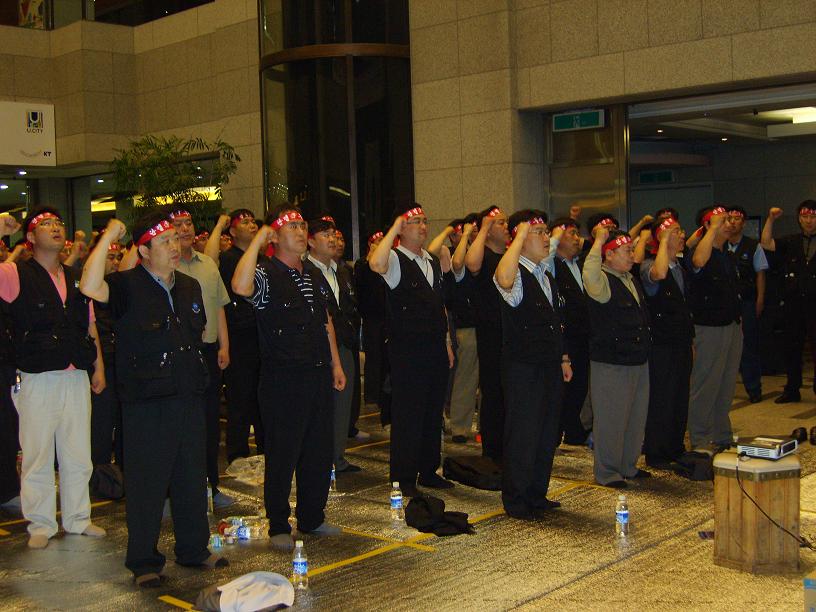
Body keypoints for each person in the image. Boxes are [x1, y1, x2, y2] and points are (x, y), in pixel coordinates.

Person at [81, 214, 228, 587]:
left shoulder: (189, 286)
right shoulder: (126, 286)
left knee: (191, 476)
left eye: (175, 239)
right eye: (164, 241)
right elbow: (89, 285)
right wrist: (109, 236)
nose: (174, 246)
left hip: (188, 394)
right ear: (143, 250)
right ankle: (144, 561)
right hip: (147, 402)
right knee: (147, 483)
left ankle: (193, 549)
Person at [232, 204, 346, 552]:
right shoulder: (266, 273)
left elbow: (325, 320)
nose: (300, 231)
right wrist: (257, 241)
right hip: (283, 377)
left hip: (317, 371)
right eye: (292, 226)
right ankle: (279, 523)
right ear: (275, 235)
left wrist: (335, 364)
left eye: (302, 226)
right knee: (283, 453)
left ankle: (312, 516)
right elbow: (239, 286)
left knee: (318, 450)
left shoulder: (312, 273)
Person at [0, 210, 106, 549]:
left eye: (58, 223)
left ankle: (78, 518)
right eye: (45, 224)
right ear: (30, 238)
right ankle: (41, 524)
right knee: (38, 453)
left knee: (78, 452)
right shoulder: (15, 273)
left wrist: (98, 366)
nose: (55, 228)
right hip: (37, 375)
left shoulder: (76, 276)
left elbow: (90, 324)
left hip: (75, 373)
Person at [369, 202, 455, 497]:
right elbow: (375, 264)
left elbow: (441, 306)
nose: (422, 226)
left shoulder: (431, 261)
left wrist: (446, 343)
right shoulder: (394, 258)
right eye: (415, 221)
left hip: (435, 346)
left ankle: (429, 470)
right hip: (408, 349)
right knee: (409, 413)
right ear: (402, 228)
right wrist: (394, 227)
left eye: (424, 221)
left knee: (432, 411)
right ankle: (403, 477)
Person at [494, 211, 572, 519]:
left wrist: (563, 358)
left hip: (549, 364)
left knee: (546, 432)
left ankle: (537, 493)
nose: (546, 237)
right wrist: (520, 236)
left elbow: (556, 321)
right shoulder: (514, 272)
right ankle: (517, 498)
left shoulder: (545, 275)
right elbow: (503, 279)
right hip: (523, 367)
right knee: (524, 433)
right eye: (538, 232)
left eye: (545, 231)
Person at [168, 209, 233, 509]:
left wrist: (224, 345)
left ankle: (211, 485)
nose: (185, 229)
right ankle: (171, 492)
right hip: (177, 354)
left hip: (207, 352)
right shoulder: (164, 265)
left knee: (208, 424)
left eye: (188, 223)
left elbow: (219, 306)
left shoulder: (207, 263)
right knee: (177, 424)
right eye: (177, 225)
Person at [583, 225, 651, 488]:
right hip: (612, 362)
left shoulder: (629, 279)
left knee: (635, 417)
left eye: (632, 249)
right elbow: (589, 273)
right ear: (609, 255)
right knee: (611, 419)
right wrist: (598, 241)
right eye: (626, 251)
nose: (632, 255)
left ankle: (628, 465)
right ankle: (608, 472)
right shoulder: (601, 280)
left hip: (637, 358)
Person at [205, 210, 265, 463]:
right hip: (239, 336)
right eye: (245, 222)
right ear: (232, 232)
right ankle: (237, 453)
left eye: (253, 221)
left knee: (263, 397)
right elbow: (210, 259)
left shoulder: (262, 259)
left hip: (262, 334)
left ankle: (265, 449)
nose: (251, 225)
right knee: (240, 397)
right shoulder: (228, 258)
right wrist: (219, 224)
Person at [306, 216, 361, 474]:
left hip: (344, 343)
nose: (332, 239)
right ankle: (318, 460)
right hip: (316, 348)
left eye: (334, 234)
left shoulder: (342, 271)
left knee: (342, 405)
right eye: (325, 235)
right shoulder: (305, 271)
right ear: (311, 241)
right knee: (318, 407)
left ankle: (337, 458)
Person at [639, 217, 694, 469]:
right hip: (661, 344)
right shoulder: (650, 265)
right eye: (676, 232)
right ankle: (657, 451)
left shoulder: (680, 267)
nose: (682, 235)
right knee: (662, 396)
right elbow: (658, 274)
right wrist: (662, 241)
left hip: (681, 341)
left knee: (680, 396)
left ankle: (675, 446)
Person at [686, 206, 742, 450]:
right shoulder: (699, 252)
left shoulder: (727, 255)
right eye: (722, 221)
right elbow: (698, 261)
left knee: (726, 384)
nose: (729, 224)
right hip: (708, 327)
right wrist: (711, 230)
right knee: (706, 384)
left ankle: (722, 434)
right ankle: (700, 437)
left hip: (731, 324)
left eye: (729, 220)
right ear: (707, 225)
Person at [464, 205, 510, 462]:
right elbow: (471, 263)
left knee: (510, 394)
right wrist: (483, 228)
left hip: (512, 333)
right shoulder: (483, 255)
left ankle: (509, 448)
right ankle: (492, 453)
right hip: (491, 334)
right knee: (493, 392)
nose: (506, 227)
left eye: (506, 222)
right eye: (500, 223)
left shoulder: (509, 255)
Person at [760, 201, 816, 403]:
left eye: (813, 217)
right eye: (805, 217)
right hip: (794, 304)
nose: (808, 221)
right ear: (799, 219)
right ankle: (792, 388)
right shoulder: (792, 241)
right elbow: (766, 243)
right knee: (792, 347)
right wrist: (770, 219)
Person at [547, 217, 591, 446]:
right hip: (565, 337)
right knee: (563, 389)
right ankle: (555, 434)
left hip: (584, 337)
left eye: (577, 233)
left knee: (580, 387)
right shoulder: (552, 264)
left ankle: (574, 431)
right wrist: (554, 236)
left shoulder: (580, 264)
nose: (577, 239)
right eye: (571, 234)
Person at [725, 206, 768, 403]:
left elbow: (760, 274)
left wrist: (760, 299)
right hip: (726, 304)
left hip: (747, 301)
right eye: (729, 219)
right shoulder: (719, 245)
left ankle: (754, 388)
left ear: (743, 223)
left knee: (749, 345)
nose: (733, 222)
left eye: (737, 219)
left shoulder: (753, 246)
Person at [89, 241, 124, 475]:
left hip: (122, 363)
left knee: (124, 422)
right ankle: (100, 476)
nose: (116, 262)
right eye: (110, 257)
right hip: (101, 364)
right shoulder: (88, 289)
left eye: (118, 257)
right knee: (101, 423)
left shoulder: (120, 287)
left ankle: (123, 473)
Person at [446, 215, 480, 443]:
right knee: (465, 378)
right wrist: (465, 236)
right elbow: (457, 264)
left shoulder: (484, 253)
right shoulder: (457, 254)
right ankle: (459, 426)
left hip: (487, 324)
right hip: (466, 325)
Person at [355, 230, 391, 428]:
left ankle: (382, 393)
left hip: (386, 317)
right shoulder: (363, 264)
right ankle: (371, 396)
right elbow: (362, 286)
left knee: (385, 356)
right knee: (373, 357)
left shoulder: (388, 261)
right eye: (377, 241)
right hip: (371, 317)